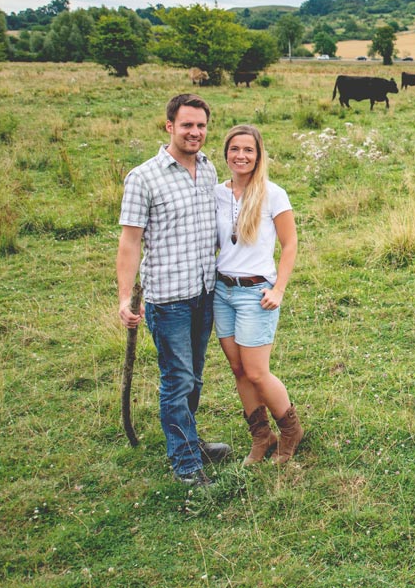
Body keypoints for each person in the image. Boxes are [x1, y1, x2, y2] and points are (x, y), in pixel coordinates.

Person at [117, 94, 232, 486]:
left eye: (201, 126)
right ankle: (185, 464)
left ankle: (190, 441)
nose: (195, 132)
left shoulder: (209, 169)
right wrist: (123, 296)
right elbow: (130, 241)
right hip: (168, 299)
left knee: (195, 378)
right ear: (169, 126)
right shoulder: (143, 177)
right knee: (177, 379)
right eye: (186, 125)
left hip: (204, 292)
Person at [213, 124, 304, 465]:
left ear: (258, 154)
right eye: (235, 149)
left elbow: (290, 243)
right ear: (226, 154)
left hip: (256, 293)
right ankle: (261, 437)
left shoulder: (273, 194)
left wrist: (279, 288)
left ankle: (291, 430)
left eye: (248, 150)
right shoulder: (216, 193)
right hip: (222, 291)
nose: (241, 155)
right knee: (238, 369)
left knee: (256, 371)